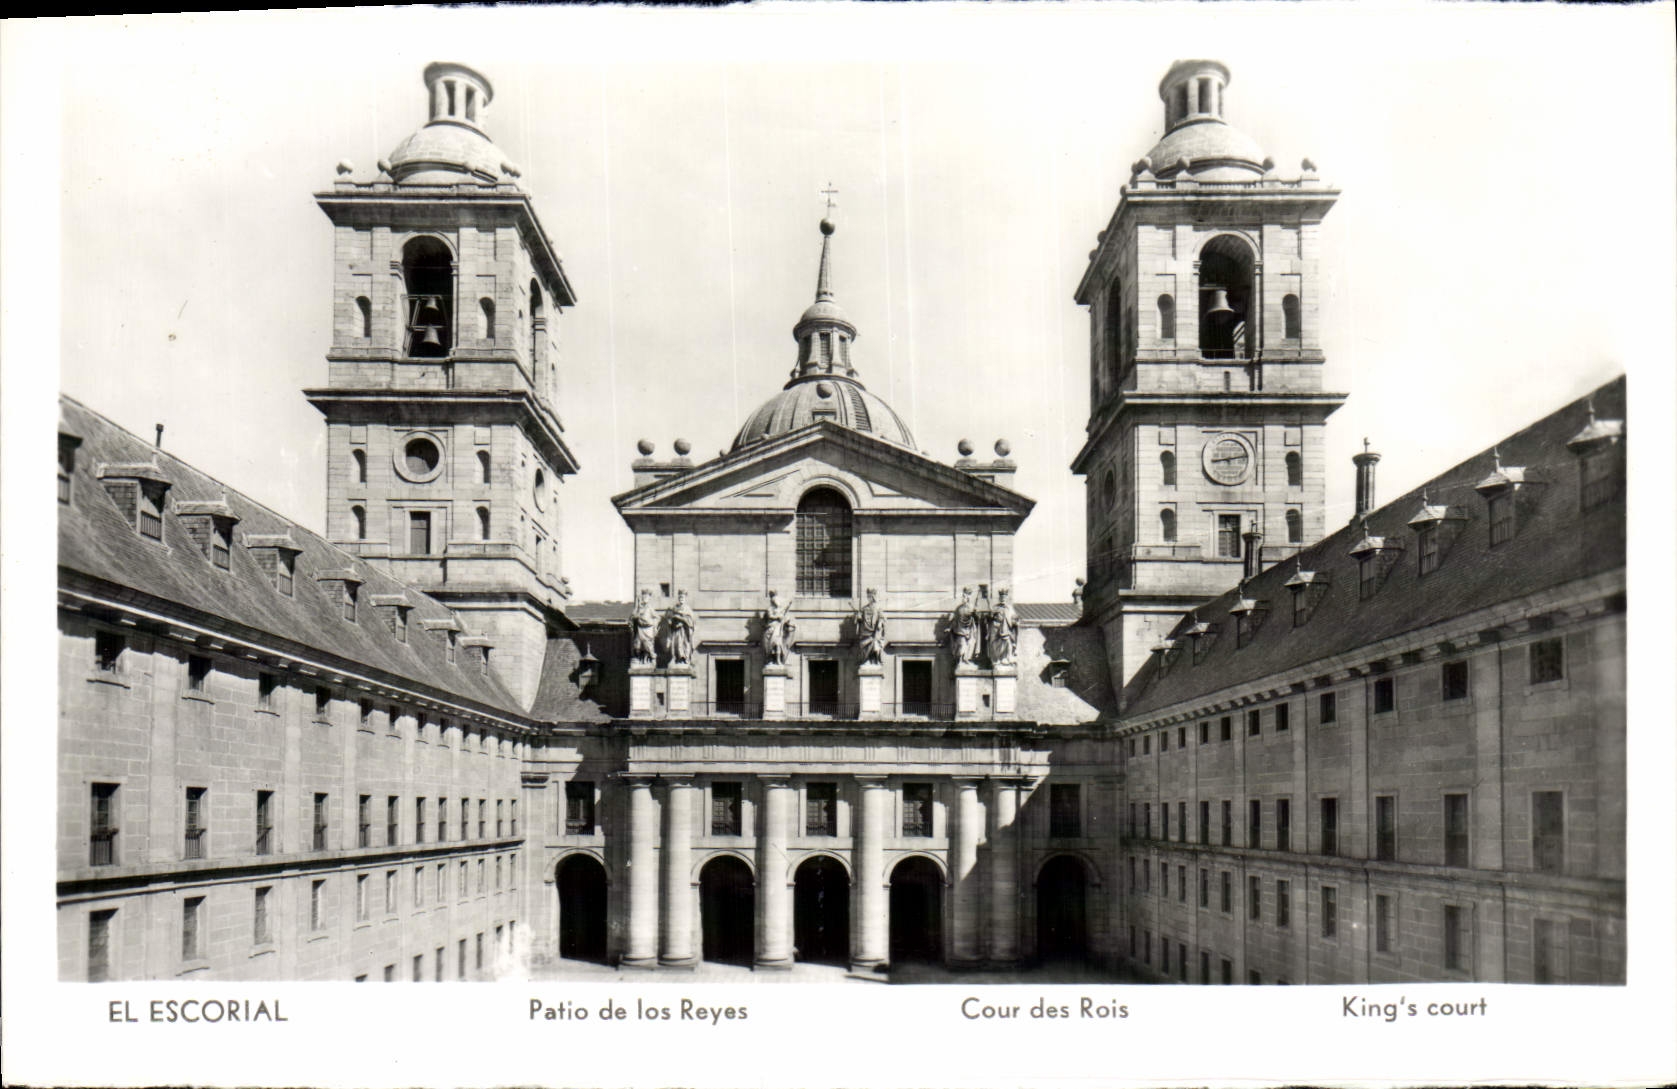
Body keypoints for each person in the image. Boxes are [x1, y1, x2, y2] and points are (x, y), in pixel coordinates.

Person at [855, 587, 887, 665]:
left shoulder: (878, 608)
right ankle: (866, 660)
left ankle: (875, 661)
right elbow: (859, 616)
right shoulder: (864, 608)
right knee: (865, 646)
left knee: (876, 646)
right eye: (868, 597)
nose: (869, 598)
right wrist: (858, 617)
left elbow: (882, 617)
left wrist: (880, 623)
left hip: (875, 631)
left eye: (870, 597)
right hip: (865, 632)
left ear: (873, 597)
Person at [763, 590, 797, 665]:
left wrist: (786, 622)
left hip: (778, 630)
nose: (775, 601)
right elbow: (770, 616)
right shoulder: (770, 609)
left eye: (776, 600)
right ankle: (771, 660)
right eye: (774, 599)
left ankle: (778, 660)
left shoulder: (780, 611)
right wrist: (778, 617)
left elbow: (785, 618)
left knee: (778, 644)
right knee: (771, 645)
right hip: (771, 628)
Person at [987, 587, 1019, 667]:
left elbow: (1013, 618)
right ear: (999, 597)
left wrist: (1015, 621)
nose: (1003, 598)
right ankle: (996, 660)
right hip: (995, 629)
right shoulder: (995, 607)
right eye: (1001, 597)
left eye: (1004, 597)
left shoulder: (1009, 608)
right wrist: (991, 616)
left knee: (1007, 642)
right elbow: (989, 618)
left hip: (1006, 630)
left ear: (1006, 597)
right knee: (994, 644)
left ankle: (1005, 659)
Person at [665, 589, 697, 665]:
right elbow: (670, 619)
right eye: (680, 597)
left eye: (682, 597)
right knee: (675, 644)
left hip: (684, 631)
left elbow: (691, 621)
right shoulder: (674, 608)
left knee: (683, 644)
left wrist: (682, 620)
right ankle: (676, 658)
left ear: (685, 598)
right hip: (676, 630)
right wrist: (671, 621)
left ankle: (684, 659)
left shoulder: (687, 609)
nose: (681, 599)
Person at [951, 586, 979, 666]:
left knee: (970, 644)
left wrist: (975, 613)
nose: (965, 597)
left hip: (970, 630)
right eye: (964, 595)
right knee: (962, 645)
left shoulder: (972, 607)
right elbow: (954, 620)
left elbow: (977, 618)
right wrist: (949, 628)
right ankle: (960, 660)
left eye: (967, 595)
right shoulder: (959, 609)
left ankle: (966, 659)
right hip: (960, 630)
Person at [630, 588, 658, 664]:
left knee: (648, 645)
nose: (645, 597)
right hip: (640, 629)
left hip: (648, 629)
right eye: (644, 596)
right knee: (638, 645)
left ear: (649, 598)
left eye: (647, 596)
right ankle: (639, 658)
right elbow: (632, 616)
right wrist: (637, 615)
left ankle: (649, 658)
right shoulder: (638, 607)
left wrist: (655, 627)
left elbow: (656, 617)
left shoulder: (650, 608)